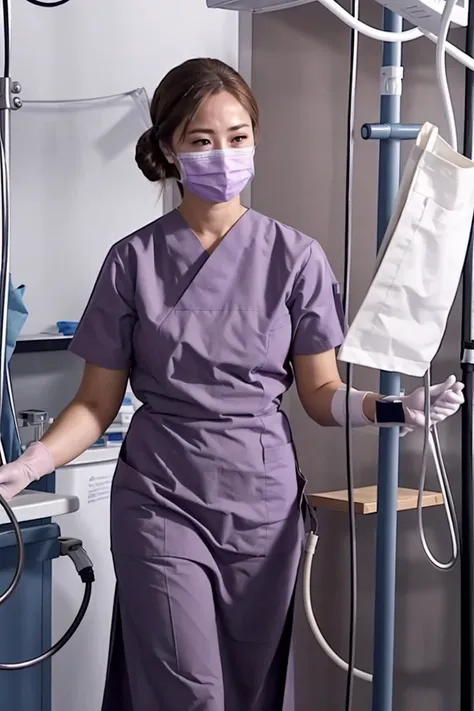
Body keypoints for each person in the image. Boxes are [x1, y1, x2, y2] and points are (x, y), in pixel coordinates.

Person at [0, 58, 464, 710]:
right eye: (202, 140)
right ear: (169, 147)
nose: (224, 154)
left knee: (250, 688)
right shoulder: (133, 261)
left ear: (255, 140)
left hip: (261, 505)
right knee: (188, 691)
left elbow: (320, 392)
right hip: (161, 495)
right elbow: (95, 402)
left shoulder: (296, 258)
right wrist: (31, 464)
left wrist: (390, 407)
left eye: (238, 136)